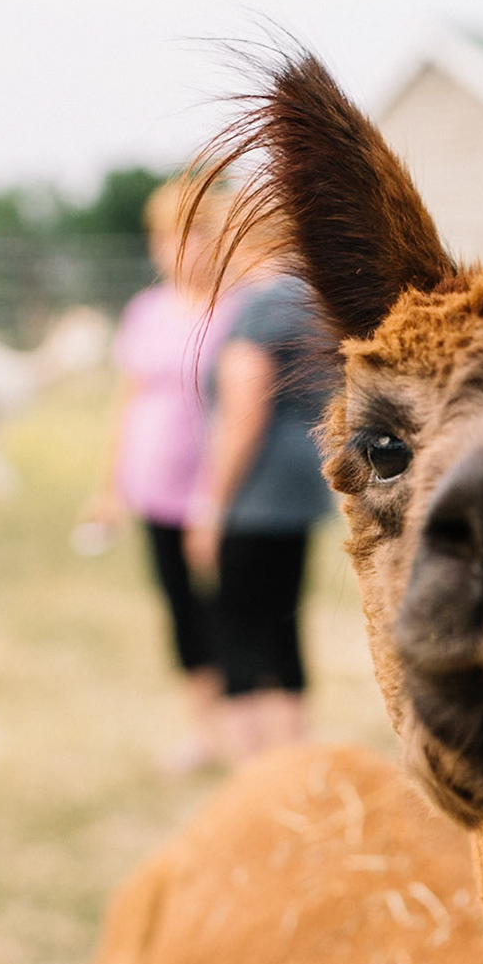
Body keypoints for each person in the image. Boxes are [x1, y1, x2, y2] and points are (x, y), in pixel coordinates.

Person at [81, 180, 240, 773]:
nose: (178, 248)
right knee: (180, 609)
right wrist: (108, 487)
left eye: (192, 234)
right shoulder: (145, 312)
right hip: (155, 489)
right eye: (167, 236)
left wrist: (215, 498)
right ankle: (203, 731)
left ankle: (244, 726)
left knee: (230, 608)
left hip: (221, 490)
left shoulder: (237, 312)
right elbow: (126, 401)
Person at [184, 218, 336, 765]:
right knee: (284, 623)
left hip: (255, 494)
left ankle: (253, 765)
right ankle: (293, 753)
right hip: (301, 488)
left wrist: (212, 505)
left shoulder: (258, 307)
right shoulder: (309, 299)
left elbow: (243, 413)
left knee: (239, 627)